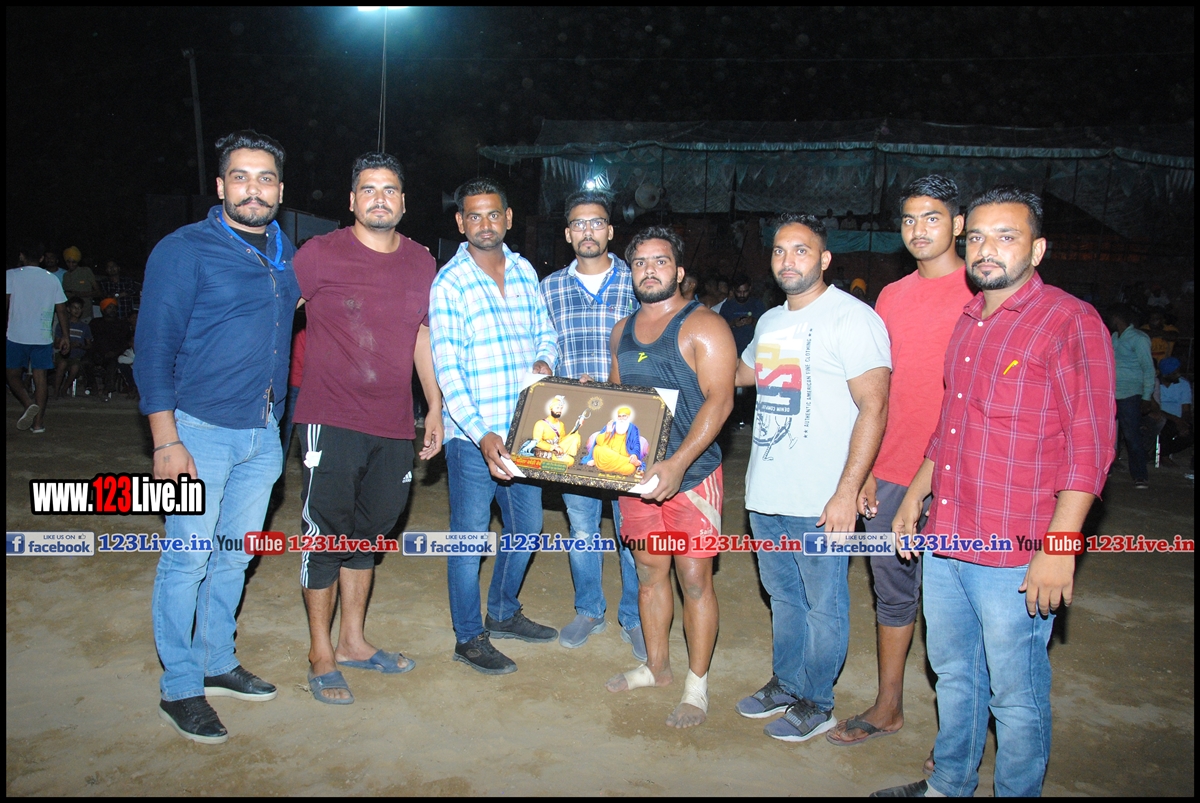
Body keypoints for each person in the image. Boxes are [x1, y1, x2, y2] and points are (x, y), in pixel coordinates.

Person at [873, 187, 1115, 798]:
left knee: (1015, 694)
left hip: (1015, 547)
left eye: (1007, 237)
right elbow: (950, 426)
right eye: (978, 236)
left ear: (1037, 248)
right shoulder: (969, 320)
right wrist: (915, 496)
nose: (987, 249)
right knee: (954, 674)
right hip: (948, 536)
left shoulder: (1069, 321)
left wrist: (1060, 546)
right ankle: (950, 784)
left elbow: (1090, 446)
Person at [135, 130, 300, 744]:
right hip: (197, 433)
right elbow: (153, 349)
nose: (253, 189)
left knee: (234, 555)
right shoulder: (184, 250)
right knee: (188, 559)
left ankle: (216, 660)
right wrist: (165, 441)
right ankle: (180, 686)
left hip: (263, 434)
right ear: (220, 185)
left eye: (265, 178)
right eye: (240, 176)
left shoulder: (284, 252)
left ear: (279, 189)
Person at [827, 175, 974, 755]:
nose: (918, 229)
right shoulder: (890, 296)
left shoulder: (984, 291)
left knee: (959, 604)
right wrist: (865, 469)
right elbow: (877, 392)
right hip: (890, 472)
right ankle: (889, 704)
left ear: (958, 224)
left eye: (932, 217)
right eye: (910, 219)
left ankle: (962, 735)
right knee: (893, 593)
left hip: (959, 473)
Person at [734, 213, 891, 743]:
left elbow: (874, 407)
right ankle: (787, 683)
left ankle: (817, 701)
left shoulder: (852, 318)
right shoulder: (769, 322)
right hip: (766, 492)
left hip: (821, 499)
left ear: (824, 259)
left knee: (825, 605)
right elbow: (739, 374)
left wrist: (847, 490)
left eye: (801, 250)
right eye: (779, 250)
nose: (788, 260)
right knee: (783, 596)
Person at [292, 152, 442, 704]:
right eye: (369, 189)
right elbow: (278, 312)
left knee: (368, 535)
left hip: (393, 423)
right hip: (330, 418)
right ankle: (320, 652)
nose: (380, 198)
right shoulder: (319, 254)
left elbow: (421, 336)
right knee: (325, 536)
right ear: (352, 199)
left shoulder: (422, 261)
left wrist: (435, 406)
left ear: (403, 202)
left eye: (390, 189)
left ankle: (353, 642)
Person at [603, 225, 737, 730]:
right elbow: (620, 400)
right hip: (638, 480)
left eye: (660, 261)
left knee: (695, 580)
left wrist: (678, 463)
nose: (649, 270)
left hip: (692, 477)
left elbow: (720, 401)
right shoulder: (621, 331)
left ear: (679, 271)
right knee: (648, 572)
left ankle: (696, 686)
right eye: (640, 262)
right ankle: (656, 666)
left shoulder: (704, 326)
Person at [428, 178, 560, 675]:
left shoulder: (524, 270)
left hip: (525, 431)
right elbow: (448, 370)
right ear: (460, 222)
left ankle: (502, 612)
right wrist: (481, 434)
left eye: (493, 214)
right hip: (473, 437)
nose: (484, 224)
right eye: (474, 216)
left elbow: (545, 332)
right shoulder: (449, 283)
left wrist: (545, 361)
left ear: (508, 218)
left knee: (527, 527)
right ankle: (468, 637)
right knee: (470, 540)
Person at [7, 246, 69, 433]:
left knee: (12, 375)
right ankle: (38, 424)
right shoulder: (52, 279)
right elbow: (61, 310)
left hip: (16, 334)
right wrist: (65, 335)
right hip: (42, 336)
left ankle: (28, 403)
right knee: (40, 378)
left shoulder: (12, 275)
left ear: (21, 255)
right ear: (41, 258)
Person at [1106, 303, 1154, 489]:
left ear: (1117, 318)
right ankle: (1107, 469)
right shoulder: (1114, 337)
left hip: (1131, 393)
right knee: (1107, 435)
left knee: (1132, 436)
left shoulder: (1139, 338)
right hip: (1112, 393)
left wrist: (1146, 397)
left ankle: (1140, 475)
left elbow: (1148, 369)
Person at [720, 273, 767, 427]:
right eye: (739, 292)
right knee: (731, 388)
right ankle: (733, 421)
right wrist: (733, 323)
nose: (742, 295)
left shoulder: (757, 305)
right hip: (733, 352)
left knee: (751, 390)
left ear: (750, 289)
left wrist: (752, 321)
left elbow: (766, 326)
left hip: (754, 354)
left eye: (745, 291)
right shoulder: (728, 306)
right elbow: (720, 327)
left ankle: (750, 420)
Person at [1149, 356, 1192, 462]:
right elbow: (1154, 408)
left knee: (1189, 434)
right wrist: (1176, 420)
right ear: (1166, 374)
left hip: (1178, 419)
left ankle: (1161, 453)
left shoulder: (1183, 384)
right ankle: (1164, 457)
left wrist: (1183, 423)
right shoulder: (1154, 384)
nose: (1178, 375)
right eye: (1175, 373)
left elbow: (1186, 409)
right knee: (1166, 427)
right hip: (1162, 417)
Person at [88, 298, 133, 400]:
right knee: (86, 362)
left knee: (113, 364)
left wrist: (115, 352)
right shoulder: (95, 323)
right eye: (109, 307)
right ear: (103, 309)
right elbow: (90, 341)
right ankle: (92, 387)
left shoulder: (122, 324)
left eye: (114, 308)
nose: (112, 310)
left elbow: (126, 343)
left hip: (115, 354)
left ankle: (107, 390)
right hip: (97, 353)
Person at [53, 297, 92, 397]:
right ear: (68, 309)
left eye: (79, 308)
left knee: (75, 367)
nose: (77, 310)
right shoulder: (62, 325)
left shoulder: (84, 327)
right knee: (62, 364)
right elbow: (56, 343)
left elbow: (89, 345)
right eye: (74, 307)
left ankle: (64, 389)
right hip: (62, 355)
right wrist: (67, 345)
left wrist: (81, 346)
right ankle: (56, 391)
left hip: (76, 356)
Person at [60, 246, 100, 321]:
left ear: (77, 262)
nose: (71, 264)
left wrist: (79, 294)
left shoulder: (86, 271)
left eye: (73, 262)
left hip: (85, 313)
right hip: (70, 315)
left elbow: (98, 292)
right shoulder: (65, 275)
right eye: (68, 262)